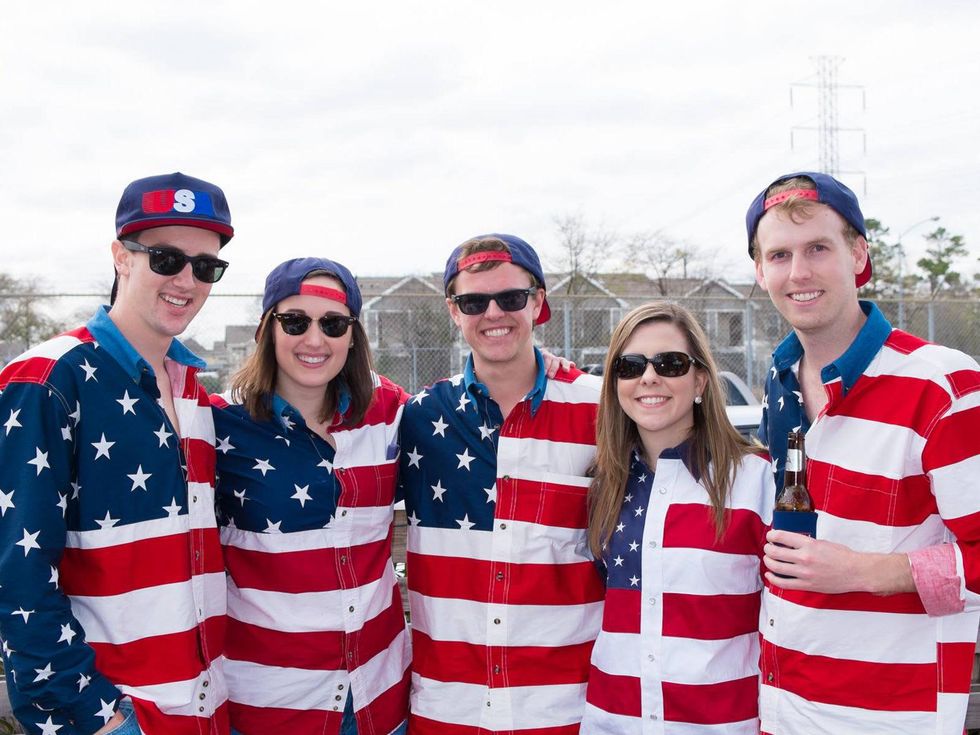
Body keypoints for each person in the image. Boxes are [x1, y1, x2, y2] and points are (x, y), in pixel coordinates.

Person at [0, 172, 234, 734]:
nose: (186, 279)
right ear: (121, 258)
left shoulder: (193, 389)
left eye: (206, 267)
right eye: (165, 258)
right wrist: (94, 717)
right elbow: (17, 571)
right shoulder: (48, 378)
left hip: (206, 706)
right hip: (118, 714)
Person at [748, 171, 980, 733]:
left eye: (818, 249)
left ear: (858, 255)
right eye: (779, 254)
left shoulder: (942, 384)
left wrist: (862, 571)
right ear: (759, 271)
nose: (798, 272)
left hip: (891, 715)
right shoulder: (779, 382)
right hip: (782, 708)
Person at [398, 234, 604, 734]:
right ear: (453, 311)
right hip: (449, 707)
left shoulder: (603, 408)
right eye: (474, 301)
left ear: (537, 302)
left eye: (510, 298)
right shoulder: (419, 416)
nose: (494, 313)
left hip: (566, 707)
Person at [209, 258, 410, 735]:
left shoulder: (392, 413)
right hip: (269, 704)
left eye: (333, 324)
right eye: (295, 321)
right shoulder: (219, 426)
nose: (315, 340)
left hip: (377, 702)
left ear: (353, 336)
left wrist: (539, 363)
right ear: (267, 329)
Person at [580, 302, 774, 733]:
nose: (649, 377)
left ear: (700, 379)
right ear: (614, 384)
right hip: (614, 722)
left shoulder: (756, 481)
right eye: (630, 366)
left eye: (670, 363)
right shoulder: (600, 485)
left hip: (723, 724)